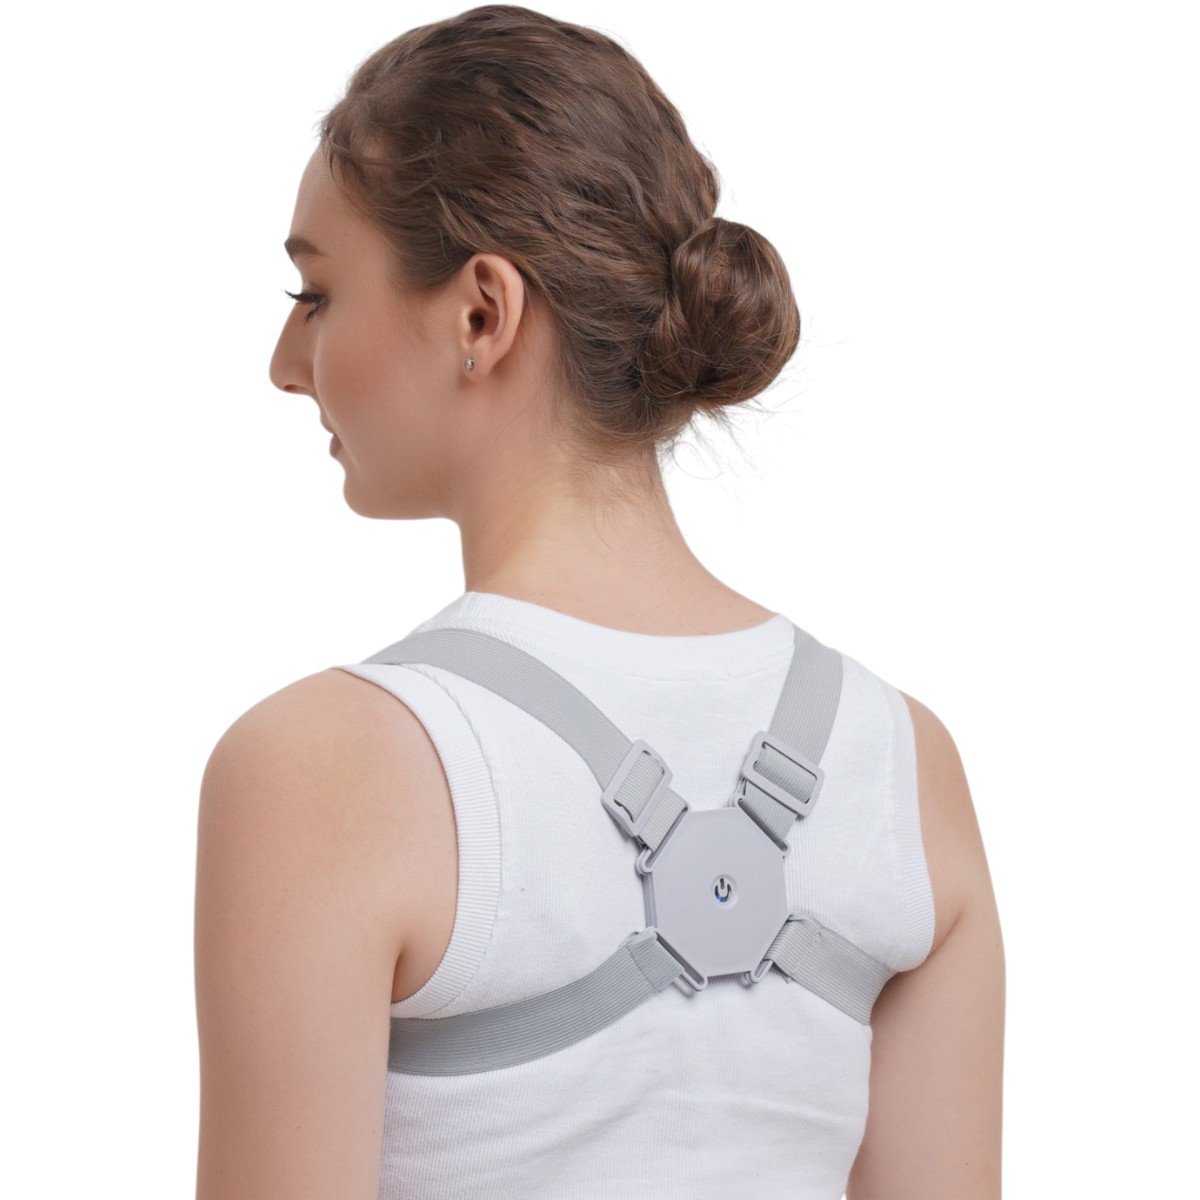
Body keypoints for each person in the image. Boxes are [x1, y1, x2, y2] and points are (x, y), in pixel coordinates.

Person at [193, 6, 1004, 1198]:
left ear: (482, 313)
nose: (284, 361)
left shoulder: (323, 768)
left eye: (315, 294)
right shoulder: (902, 762)